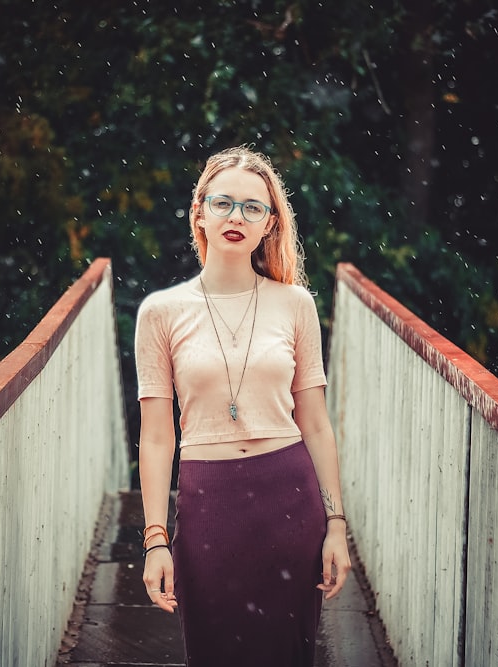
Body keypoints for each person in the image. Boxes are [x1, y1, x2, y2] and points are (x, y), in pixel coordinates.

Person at [133, 145, 352, 667]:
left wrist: (336, 524)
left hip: (289, 499)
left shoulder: (296, 305)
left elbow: (316, 424)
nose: (237, 217)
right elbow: (158, 437)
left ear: (270, 224)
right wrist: (156, 539)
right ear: (199, 212)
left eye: (253, 208)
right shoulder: (159, 313)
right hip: (209, 505)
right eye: (224, 202)